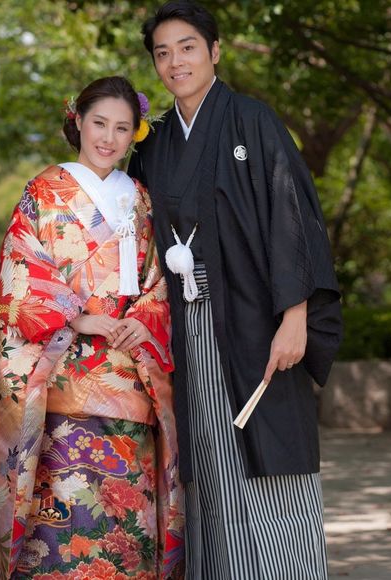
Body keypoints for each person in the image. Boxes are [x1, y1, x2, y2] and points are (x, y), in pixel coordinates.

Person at [128, 2, 343, 579]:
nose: (176, 62)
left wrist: (295, 316)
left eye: (188, 47)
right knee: (208, 455)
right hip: (188, 322)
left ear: (215, 51)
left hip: (256, 320)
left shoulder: (253, 120)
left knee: (269, 454)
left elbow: (291, 215)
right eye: (163, 53)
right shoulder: (155, 142)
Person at [0, 76, 184, 580]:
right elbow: (19, 271)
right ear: (78, 121)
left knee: (128, 526)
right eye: (99, 123)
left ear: (135, 133)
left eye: (122, 128)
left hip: (130, 380)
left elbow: (159, 278)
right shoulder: (43, 192)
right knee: (62, 525)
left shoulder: (141, 199)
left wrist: (142, 320)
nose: (108, 138)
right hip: (61, 382)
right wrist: (78, 316)